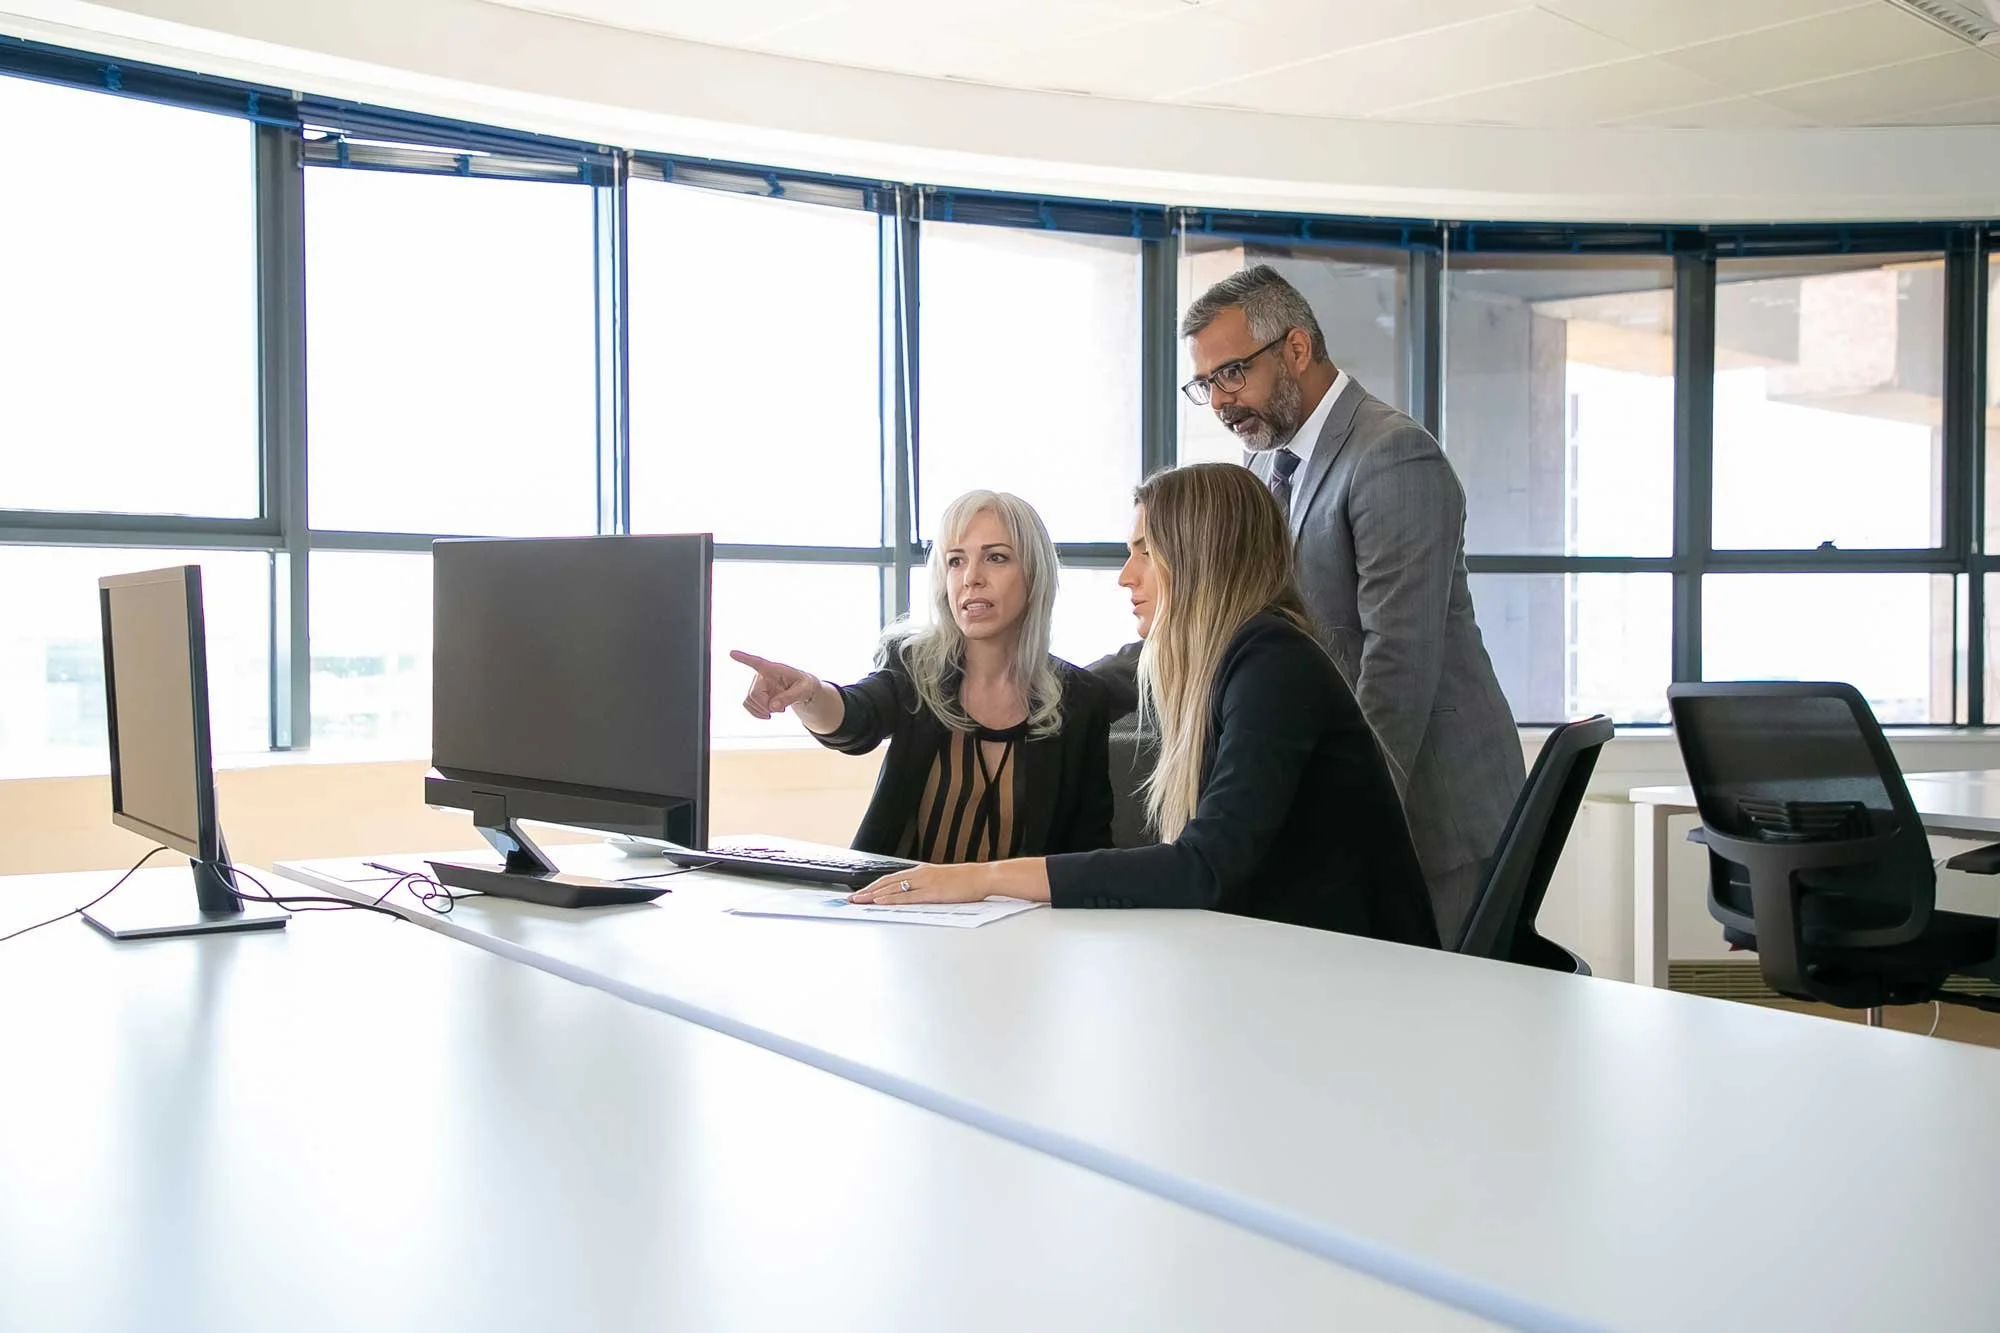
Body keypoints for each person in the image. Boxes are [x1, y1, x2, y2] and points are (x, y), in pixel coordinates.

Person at [1096, 266, 1523, 945]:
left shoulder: (1391, 457)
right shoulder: (1267, 466)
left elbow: (1396, 667)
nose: (1220, 402)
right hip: (1367, 807)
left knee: (1436, 1031)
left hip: (1434, 812)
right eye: (1206, 384)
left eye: (1232, 373)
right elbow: (1215, 615)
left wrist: (1342, 829)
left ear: (1295, 349)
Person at [852, 464, 1439, 949]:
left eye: (1144, 553)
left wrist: (982, 879)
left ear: (1199, 557)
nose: (1125, 576)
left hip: (1366, 986)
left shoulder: (1273, 663)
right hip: (1295, 967)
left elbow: (1202, 866)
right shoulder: (1232, 661)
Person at [732, 490, 1113, 862]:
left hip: (1024, 922)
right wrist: (808, 693)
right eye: (955, 561)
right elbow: (856, 717)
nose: (971, 578)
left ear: (1034, 574)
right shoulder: (914, 666)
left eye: (996, 558)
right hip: (901, 913)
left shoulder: (1081, 699)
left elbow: (1090, 855)